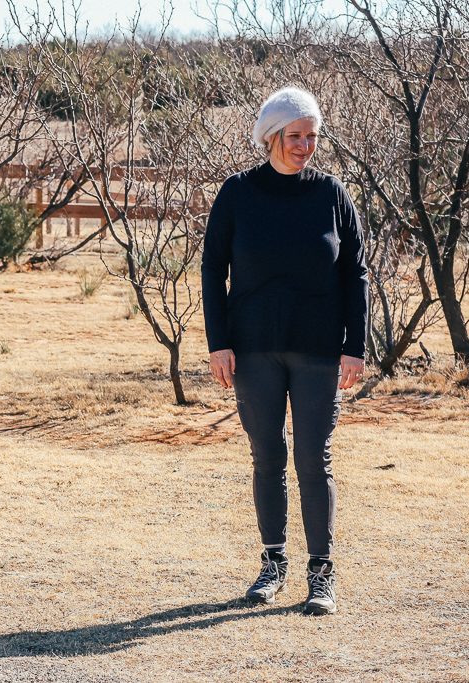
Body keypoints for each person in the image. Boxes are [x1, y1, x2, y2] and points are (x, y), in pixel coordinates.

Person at [201, 87, 369, 616]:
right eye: (295, 136)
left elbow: (355, 273)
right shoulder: (237, 194)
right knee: (267, 455)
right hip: (253, 349)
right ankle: (273, 563)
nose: (304, 146)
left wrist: (355, 346)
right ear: (271, 136)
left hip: (319, 350)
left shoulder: (332, 194)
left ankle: (322, 572)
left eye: (312, 136)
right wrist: (219, 343)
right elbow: (212, 268)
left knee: (313, 459)